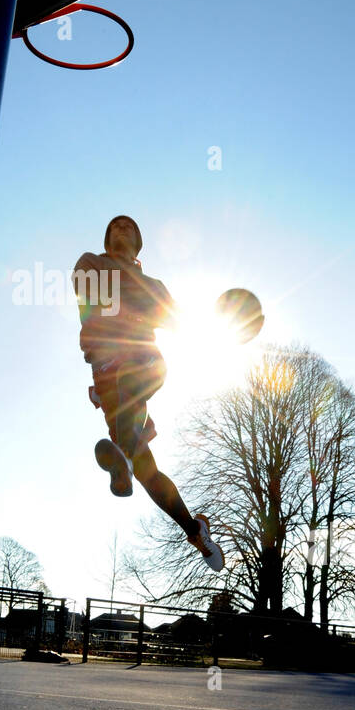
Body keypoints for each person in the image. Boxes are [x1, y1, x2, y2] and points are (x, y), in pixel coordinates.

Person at [71, 215, 224, 570]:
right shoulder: (91, 262)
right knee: (145, 470)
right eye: (114, 226)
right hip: (107, 375)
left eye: (130, 226)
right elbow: (94, 296)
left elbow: (179, 322)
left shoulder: (155, 282)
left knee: (142, 363)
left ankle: (124, 451)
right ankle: (195, 529)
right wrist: (143, 306)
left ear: (139, 242)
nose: (122, 228)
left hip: (142, 359)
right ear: (107, 239)